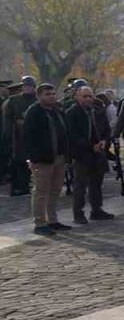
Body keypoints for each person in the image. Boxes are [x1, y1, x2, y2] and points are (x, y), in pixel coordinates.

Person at [23, 83, 70, 236]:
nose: (51, 96)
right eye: (47, 94)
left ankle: (52, 220)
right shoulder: (34, 112)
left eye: (53, 93)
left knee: (55, 190)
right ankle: (40, 222)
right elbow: (27, 137)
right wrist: (31, 157)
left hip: (59, 157)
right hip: (42, 159)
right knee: (41, 191)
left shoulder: (57, 111)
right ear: (39, 96)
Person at [65, 85, 114, 225]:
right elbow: (72, 135)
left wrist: (104, 141)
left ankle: (96, 209)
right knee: (80, 185)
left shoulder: (98, 111)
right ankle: (78, 213)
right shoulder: (72, 113)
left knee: (96, 183)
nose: (88, 99)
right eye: (84, 96)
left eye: (90, 96)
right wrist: (90, 146)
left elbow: (106, 129)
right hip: (81, 154)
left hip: (98, 152)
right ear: (77, 97)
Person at [3, 76, 38, 196]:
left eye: (30, 86)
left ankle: (27, 185)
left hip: (34, 135)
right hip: (18, 136)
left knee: (32, 162)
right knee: (18, 162)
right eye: (25, 86)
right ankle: (19, 187)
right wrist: (7, 135)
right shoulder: (14, 101)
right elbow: (8, 119)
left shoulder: (37, 101)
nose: (27, 88)